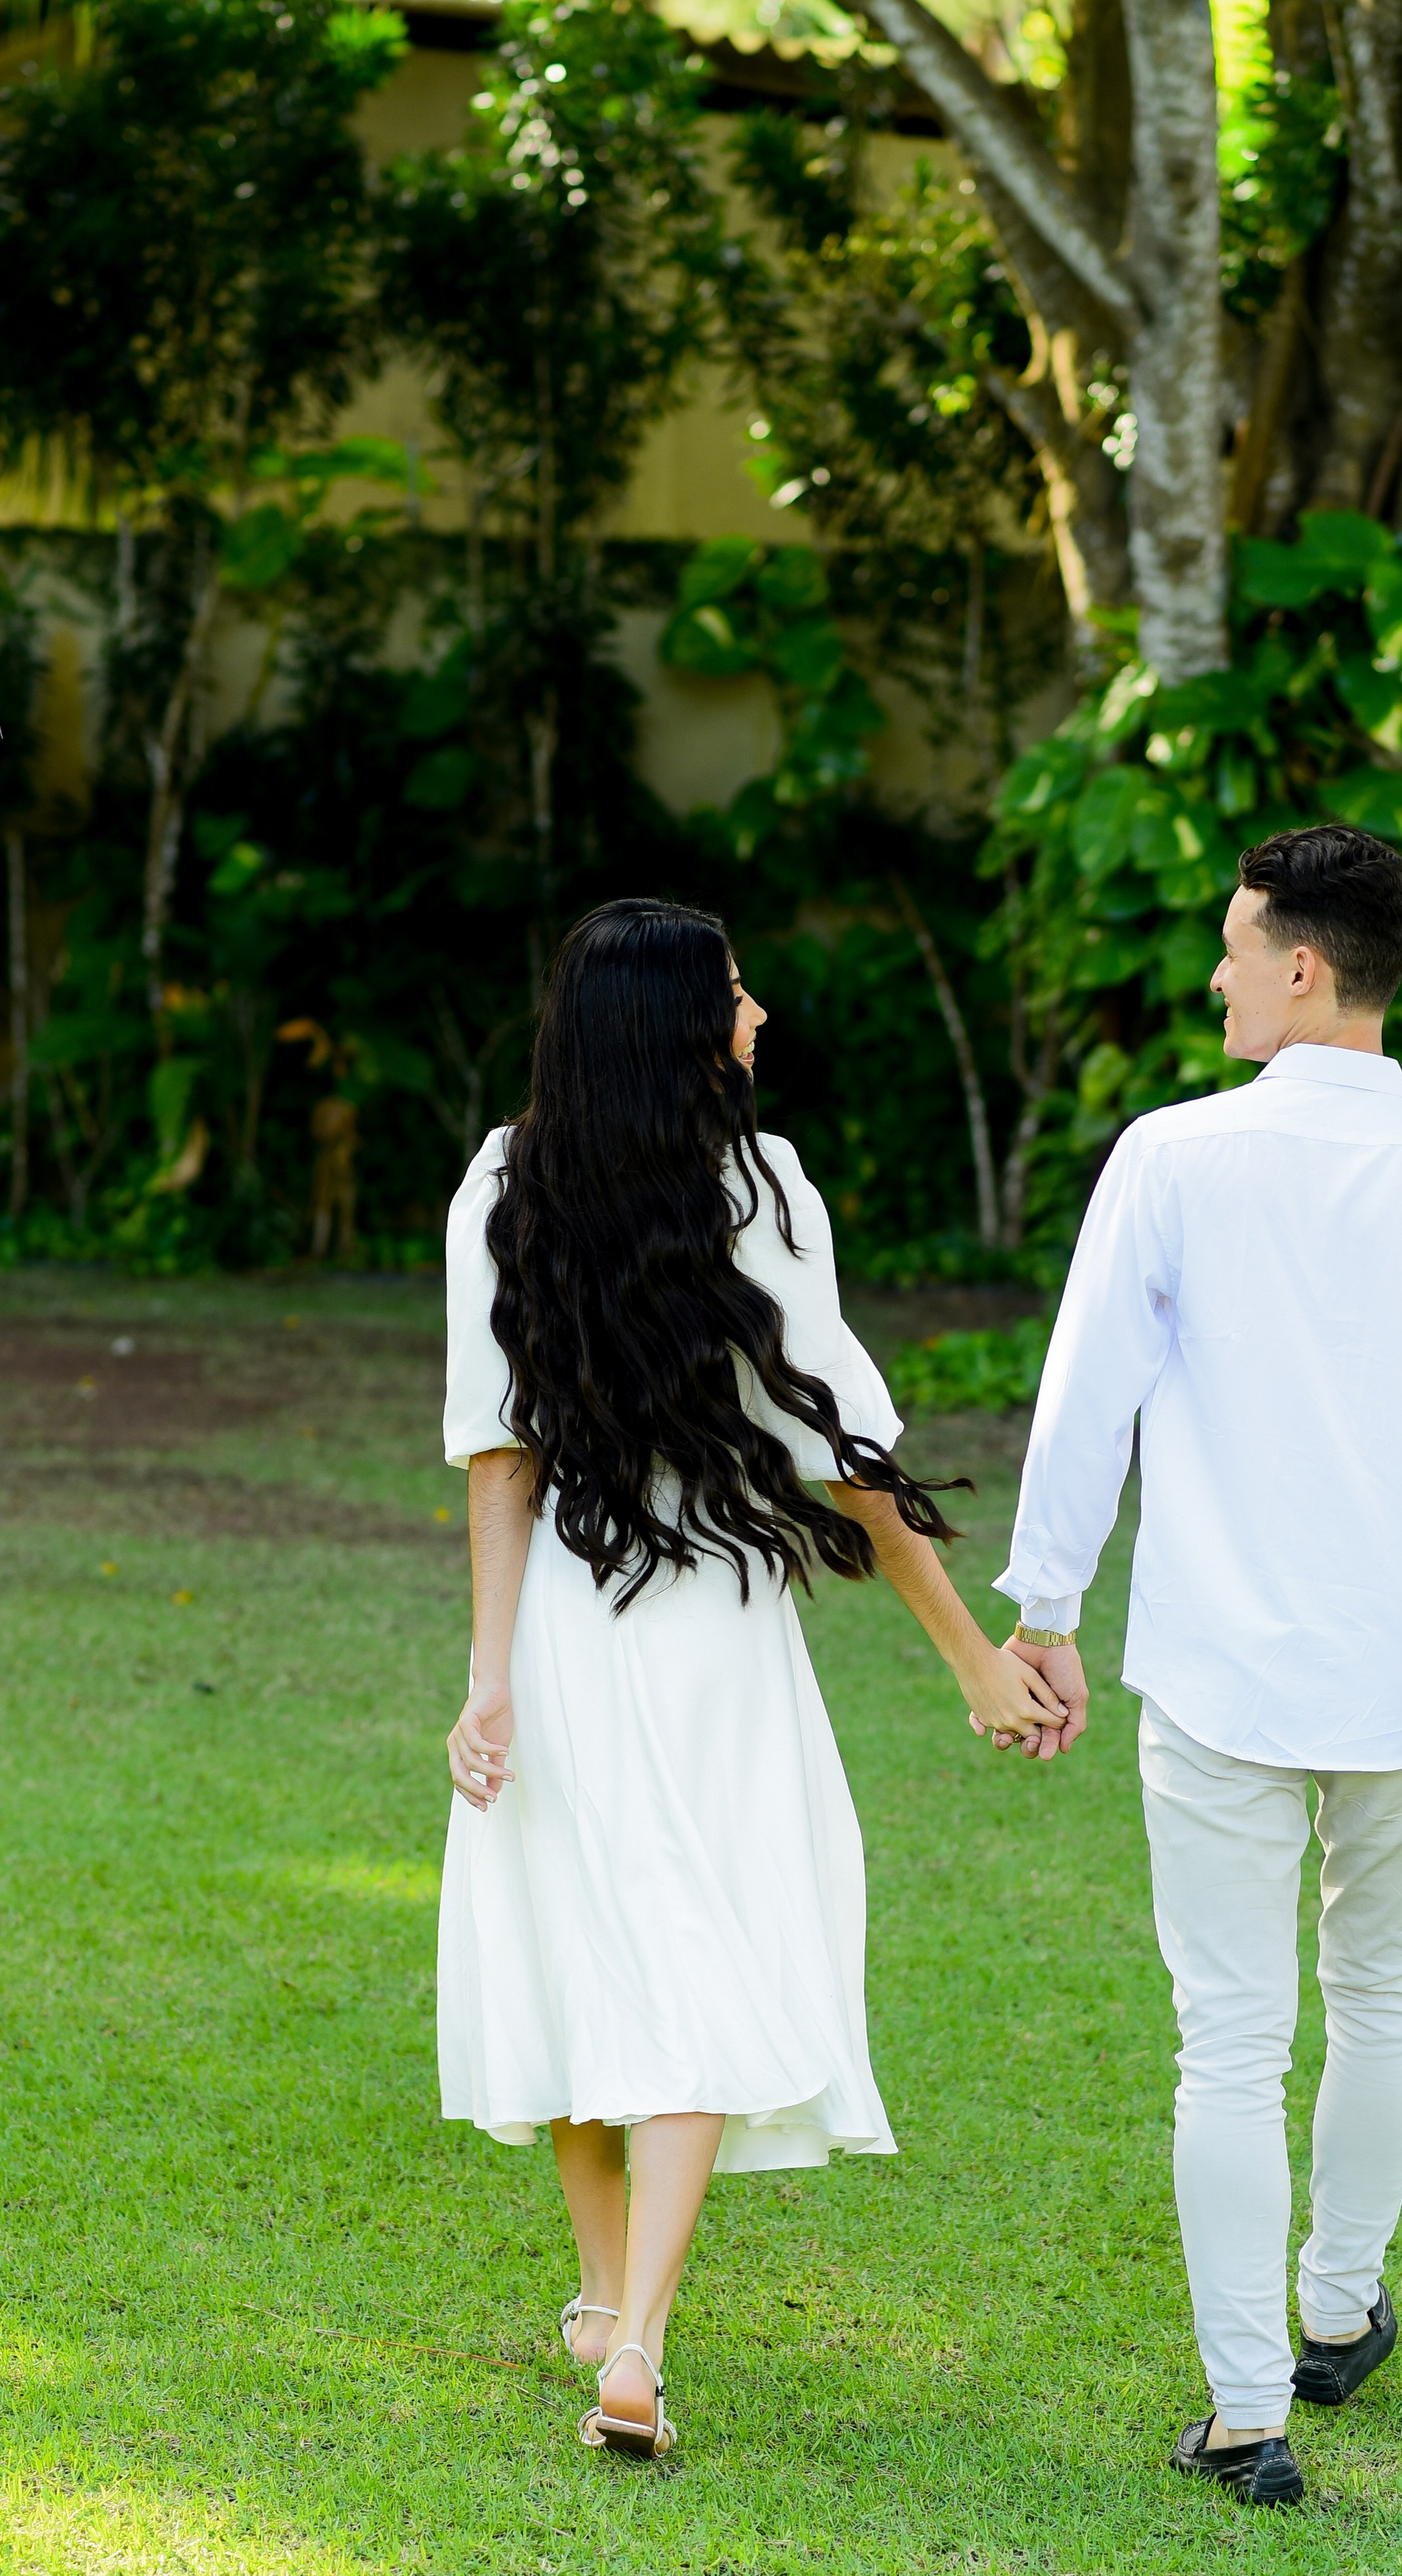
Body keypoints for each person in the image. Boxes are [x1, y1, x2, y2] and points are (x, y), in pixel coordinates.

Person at [992, 823, 1402, 2508]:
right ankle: (1335, 2306)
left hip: (1220, 1672)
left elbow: (1084, 1401)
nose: (1214, 973)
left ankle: (1248, 2406)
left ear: (1304, 967)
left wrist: (1043, 1608)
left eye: (1233, 945)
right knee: (1380, 2002)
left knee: (1226, 2042)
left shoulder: (1168, 1158)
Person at [437, 898, 1070, 2459]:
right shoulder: (761, 1187)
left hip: (569, 1626)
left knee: (584, 1943)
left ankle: (612, 2312)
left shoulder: (499, 1187)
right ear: (671, 1024)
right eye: (732, 990)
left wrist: (488, 1675)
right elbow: (850, 1458)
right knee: (698, 1950)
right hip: (713, 1623)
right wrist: (970, 1658)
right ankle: (628, 2327)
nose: (759, 1011)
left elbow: (496, 1458)